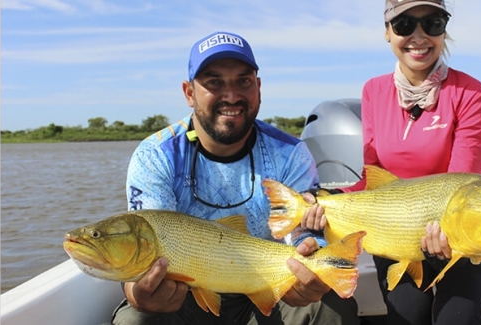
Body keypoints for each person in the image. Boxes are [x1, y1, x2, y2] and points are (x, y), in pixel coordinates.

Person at [111, 31, 359, 325]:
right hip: (184, 297)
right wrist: (137, 293)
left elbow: (301, 234)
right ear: (189, 93)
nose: (231, 95)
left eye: (243, 81)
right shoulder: (156, 155)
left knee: (330, 308)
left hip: (269, 289)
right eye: (215, 82)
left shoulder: (291, 153)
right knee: (135, 320)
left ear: (259, 87)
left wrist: (309, 261)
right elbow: (145, 247)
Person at [301, 1, 481, 324]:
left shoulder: (469, 92)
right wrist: (325, 203)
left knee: (457, 318)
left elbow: (462, 183)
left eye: (432, 23)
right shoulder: (374, 91)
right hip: (395, 235)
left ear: (444, 31)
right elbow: (371, 178)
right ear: (387, 32)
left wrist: (447, 234)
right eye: (404, 25)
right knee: (407, 315)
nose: (419, 36)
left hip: (463, 236)